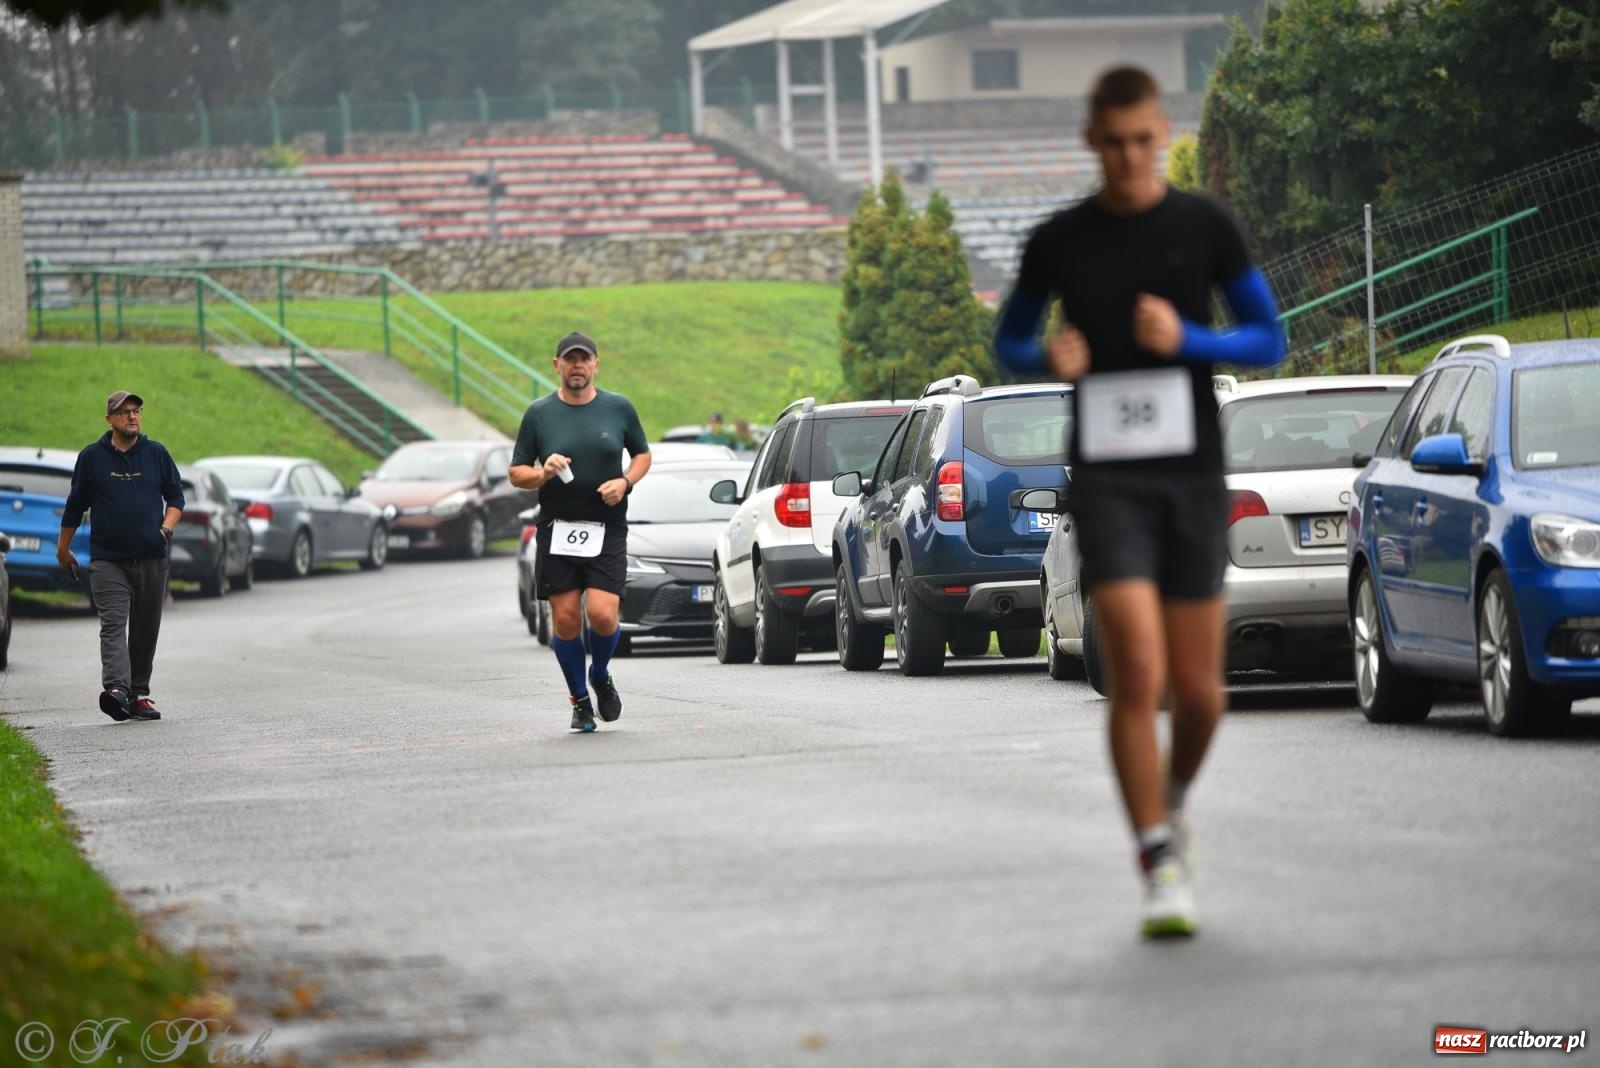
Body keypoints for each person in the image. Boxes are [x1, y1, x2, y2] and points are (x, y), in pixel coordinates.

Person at [993, 66, 1286, 938]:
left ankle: (1174, 802)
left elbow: (1269, 336)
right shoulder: (1060, 240)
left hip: (1192, 473)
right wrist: (1052, 357)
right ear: (1092, 140)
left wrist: (1188, 338)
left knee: (1201, 695)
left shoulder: (1205, 225)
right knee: (1140, 676)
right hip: (1109, 480)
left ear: (1161, 132)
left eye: (1142, 140)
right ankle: (1156, 856)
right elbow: (1008, 337)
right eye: (1112, 143)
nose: (1127, 157)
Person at [509, 331, 651, 732]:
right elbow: (517, 473)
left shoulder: (618, 408)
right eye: (569, 360)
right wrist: (543, 471)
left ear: (595, 365)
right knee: (567, 621)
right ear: (557, 366)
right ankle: (579, 701)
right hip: (558, 528)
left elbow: (642, 454)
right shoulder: (539, 414)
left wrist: (625, 483)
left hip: (607, 528)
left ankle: (600, 672)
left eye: (583, 359)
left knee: (604, 616)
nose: (577, 366)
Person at [56, 390, 185, 723]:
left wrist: (166, 530)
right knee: (113, 624)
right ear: (110, 418)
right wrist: (63, 547)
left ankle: (138, 694)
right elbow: (75, 505)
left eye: (137, 410)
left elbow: (176, 497)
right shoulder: (92, 458)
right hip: (107, 559)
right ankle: (115, 689)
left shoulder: (156, 454)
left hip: (152, 557)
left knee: (145, 628)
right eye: (125, 411)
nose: (132, 416)